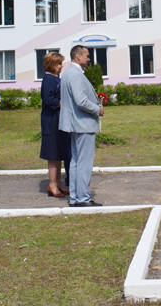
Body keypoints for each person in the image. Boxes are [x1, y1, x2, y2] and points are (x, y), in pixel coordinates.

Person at [59, 45, 104, 207]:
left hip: (74, 124)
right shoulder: (75, 74)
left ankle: (75, 197)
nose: (89, 59)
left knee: (75, 162)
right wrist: (97, 109)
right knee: (84, 162)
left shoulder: (68, 73)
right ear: (78, 56)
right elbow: (81, 101)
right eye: (87, 55)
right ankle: (82, 198)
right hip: (82, 124)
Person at [39, 52, 70, 197]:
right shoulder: (48, 79)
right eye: (59, 63)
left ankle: (58, 183)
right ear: (51, 65)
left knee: (59, 153)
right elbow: (49, 99)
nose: (61, 66)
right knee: (53, 153)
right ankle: (52, 185)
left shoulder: (55, 78)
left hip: (58, 119)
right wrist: (64, 103)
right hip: (51, 120)